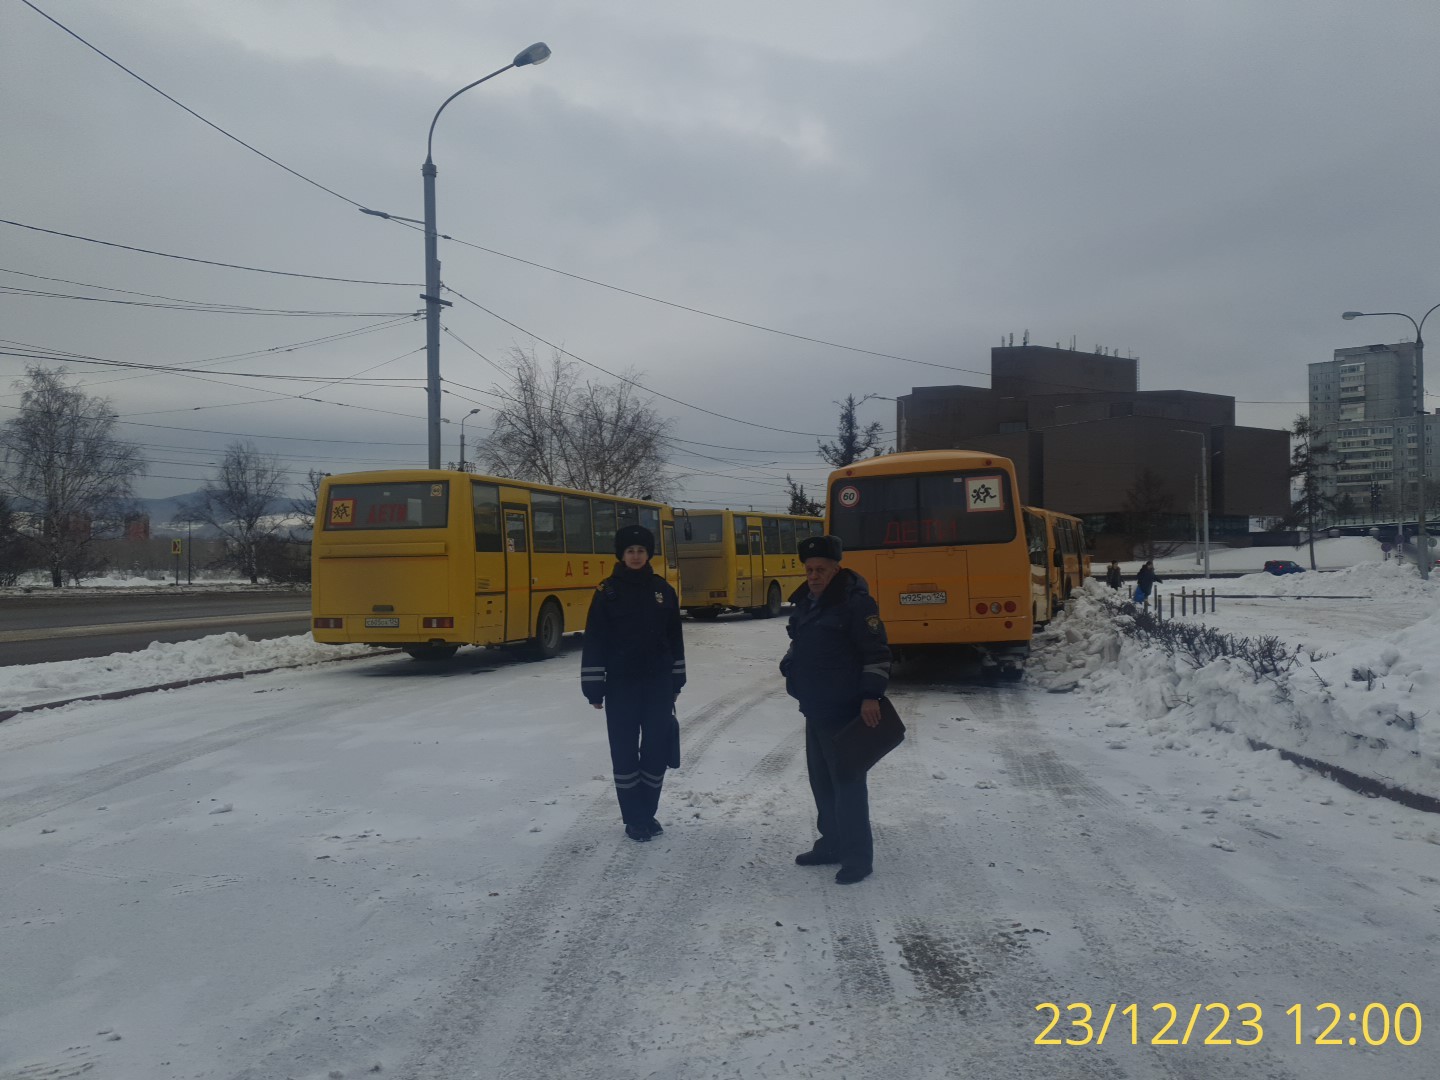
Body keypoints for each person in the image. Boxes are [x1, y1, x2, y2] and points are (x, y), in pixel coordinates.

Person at [779, 534, 892, 885]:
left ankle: (858, 857)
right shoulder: (807, 604)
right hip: (815, 708)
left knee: (848, 783)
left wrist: (871, 696)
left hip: (847, 710)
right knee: (823, 783)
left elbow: (877, 653)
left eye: (821, 569)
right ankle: (831, 844)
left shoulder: (856, 604)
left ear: (836, 568)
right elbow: (800, 643)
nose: (814, 576)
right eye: (810, 569)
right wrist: (790, 664)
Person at [581, 524, 686, 843]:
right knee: (625, 755)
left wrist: (677, 679)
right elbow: (595, 641)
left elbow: (674, 638)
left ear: (648, 554)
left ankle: (647, 813)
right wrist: (593, 688)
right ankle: (634, 819)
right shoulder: (606, 593)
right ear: (621, 555)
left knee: (656, 752)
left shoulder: (663, 591)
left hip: (657, 685)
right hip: (621, 687)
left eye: (641, 551)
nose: (636, 556)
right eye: (630, 551)